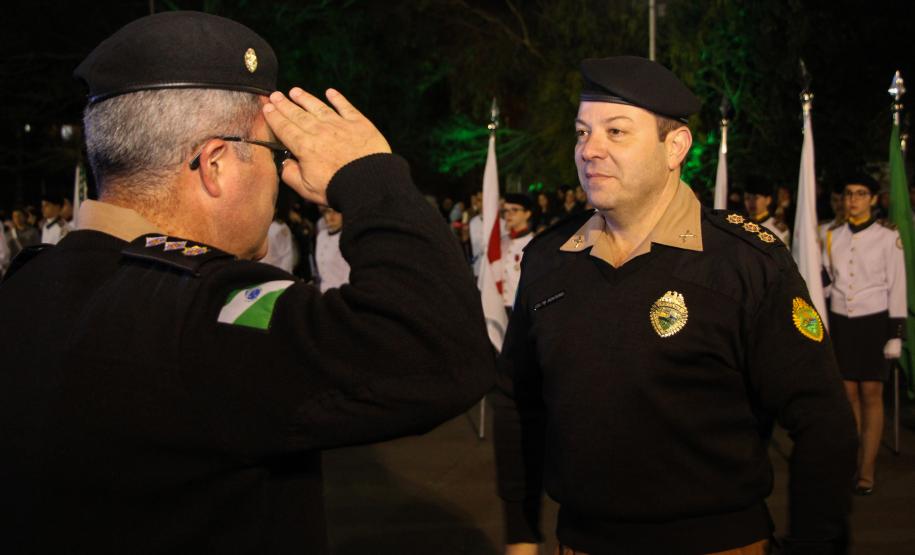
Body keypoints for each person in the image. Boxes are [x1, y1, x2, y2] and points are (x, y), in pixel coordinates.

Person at [0, 11, 494, 554]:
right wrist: (369, 175)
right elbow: (442, 351)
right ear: (214, 165)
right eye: (274, 153)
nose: (282, 175)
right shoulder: (203, 315)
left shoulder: (26, 288)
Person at [492, 56, 856, 555]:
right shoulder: (549, 260)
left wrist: (816, 544)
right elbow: (517, 399)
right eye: (581, 133)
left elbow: (822, 419)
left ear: (675, 147)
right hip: (580, 541)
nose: (589, 150)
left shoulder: (742, 263)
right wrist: (520, 529)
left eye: (616, 132)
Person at [823, 174, 906, 496]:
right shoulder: (831, 234)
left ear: (872, 199)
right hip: (842, 319)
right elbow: (827, 281)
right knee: (847, 395)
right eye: (848, 194)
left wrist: (895, 333)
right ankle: (850, 461)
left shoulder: (887, 238)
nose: (853, 200)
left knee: (871, 393)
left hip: (874, 320)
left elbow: (897, 283)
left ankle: (867, 468)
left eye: (860, 194)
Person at [500, 193, 535, 313]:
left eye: (514, 210)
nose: (508, 214)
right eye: (505, 210)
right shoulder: (501, 242)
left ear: (527, 214)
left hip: (521, 309)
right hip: (498, 308)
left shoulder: (534, 244)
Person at [743, 176, 791, 247]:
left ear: (768, 200)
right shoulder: (738, 226)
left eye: (756, 198)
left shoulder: (777, 229)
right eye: (747, 198)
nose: (751, 202)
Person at [314, 206, 350, 292]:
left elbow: (349, 272)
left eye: (336, 212)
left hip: (342, 291)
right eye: (328, 212)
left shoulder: (347, 237)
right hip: (324, 291)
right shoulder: (321, 236)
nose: (331, 216)